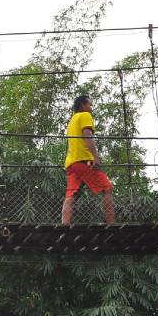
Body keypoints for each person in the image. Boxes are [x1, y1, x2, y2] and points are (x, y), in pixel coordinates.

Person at [61, 94, 115, 225]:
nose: (91, 107)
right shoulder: (85, 115)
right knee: (107, 188)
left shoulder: (72, 120)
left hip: (71, 163)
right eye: (89, 104)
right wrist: (96, 157)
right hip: (84, 161)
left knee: (71, 195)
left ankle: (64, 225)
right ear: (82, 106)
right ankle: (112, 225)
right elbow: (87, 134)